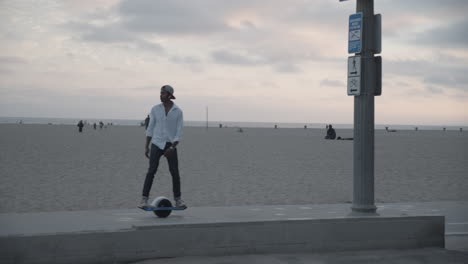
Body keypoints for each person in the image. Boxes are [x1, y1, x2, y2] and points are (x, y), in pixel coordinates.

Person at [139, 85, 186, 209]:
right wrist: (146, 146)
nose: (161, 95)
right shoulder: (155, 109)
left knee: (174, 172)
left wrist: (172, 148)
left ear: (170, 95)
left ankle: (178, 200)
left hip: (170, 145)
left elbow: (179, 132)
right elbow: (150, 128)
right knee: (151, 171)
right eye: (160, 93)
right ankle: (144, 199)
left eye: (163, 93)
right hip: (156, 143)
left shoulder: (178, 111)